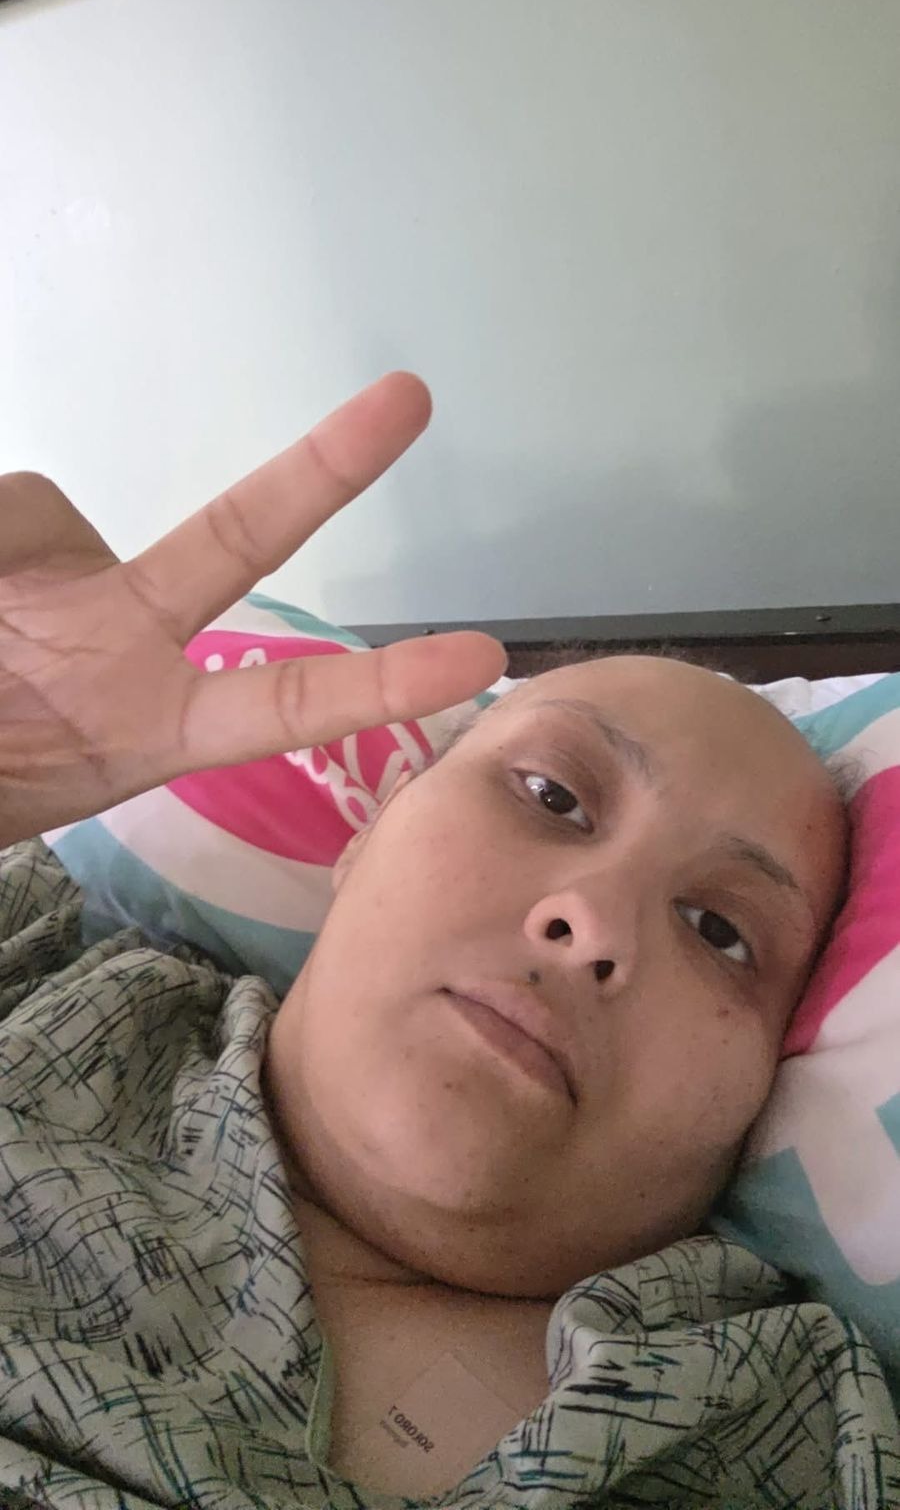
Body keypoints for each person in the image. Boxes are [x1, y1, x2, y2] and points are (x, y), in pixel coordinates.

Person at [0, 374, 895, 1510]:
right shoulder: (38, 964)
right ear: (369, 830)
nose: (592, 922)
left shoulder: (783, 1418)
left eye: (719, 930)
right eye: (552, 795)